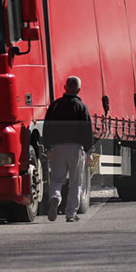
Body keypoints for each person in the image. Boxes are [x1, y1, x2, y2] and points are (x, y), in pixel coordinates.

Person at [42, 75, 94, 223]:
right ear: (79, 90)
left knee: (57, 179)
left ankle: (55, 197)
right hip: (76, 148)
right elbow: (87, 130)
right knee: (76, 182)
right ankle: (71, 214)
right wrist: (89, 151)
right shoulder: (81, 107)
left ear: (65, 87)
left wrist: (48, 148)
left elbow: (47, 127)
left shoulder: (55, 105)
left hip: (57, 147)